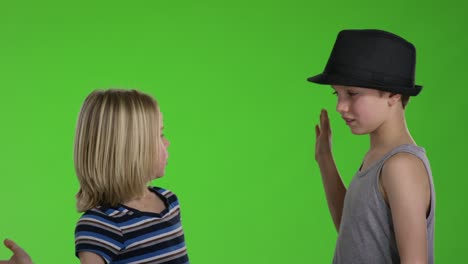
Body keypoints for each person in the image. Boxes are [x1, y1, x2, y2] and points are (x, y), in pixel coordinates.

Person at [1, 89, 189, 264]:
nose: (167, 142)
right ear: (131, 149)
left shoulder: (169, 201)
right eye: (159, 135)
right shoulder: (101, 226)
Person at [310, 29, 435, 263]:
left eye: (352, 93)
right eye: (336, 93)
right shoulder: (378, 158)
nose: (340, 106)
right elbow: (353, 230)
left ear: (393, 95)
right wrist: (325, 158)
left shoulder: (401, 166)